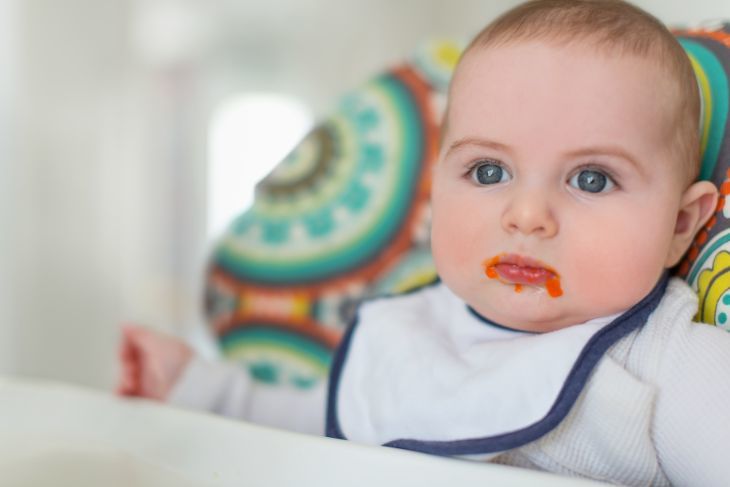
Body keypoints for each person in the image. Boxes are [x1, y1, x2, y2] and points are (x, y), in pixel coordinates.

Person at [118, 1, 730, 484]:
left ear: (682, 224)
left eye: (591, 179)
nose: (526, 215)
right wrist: (199, 387)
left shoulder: (665, 366)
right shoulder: (409, 332)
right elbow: (315, 421)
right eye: (488, 172)